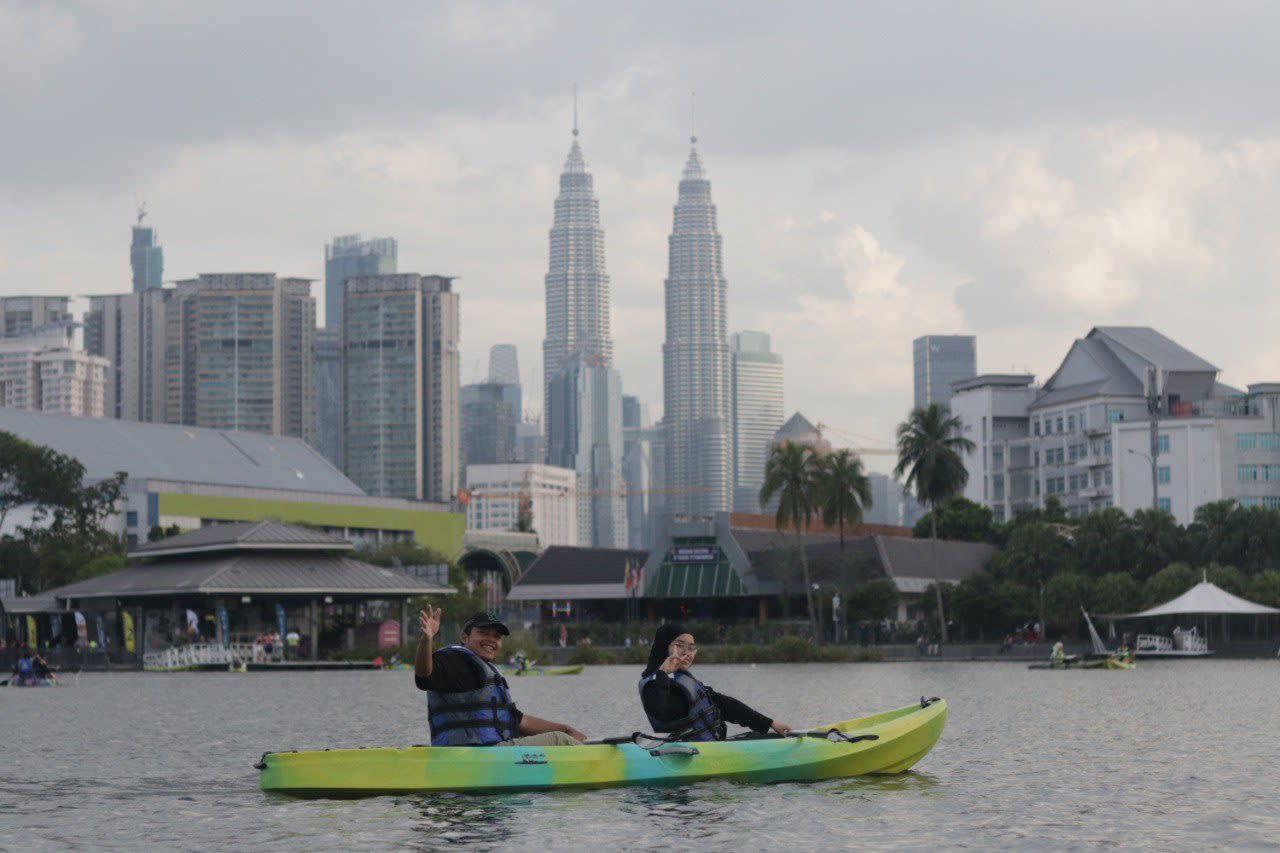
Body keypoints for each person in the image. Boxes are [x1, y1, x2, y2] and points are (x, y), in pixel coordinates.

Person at [415, 608, 586, 747]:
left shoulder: (487, 672)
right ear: (465, 638)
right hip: (474, 758)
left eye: (497, 636)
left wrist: (566, 729)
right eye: (483, 632)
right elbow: (424, 676)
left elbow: (516, 721)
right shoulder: (454, 660)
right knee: (559, 741)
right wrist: (426, 640)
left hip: (486, 755)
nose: (491, 639)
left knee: (563, 735)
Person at [638, 624, 792, 742]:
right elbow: (660, 709)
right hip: (687, 754)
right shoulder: (653, 684)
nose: (687, 652)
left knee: (771, 736)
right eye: (680, 645)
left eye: (691, 648)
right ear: (664, 646)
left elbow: (724, 705)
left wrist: (769, 723)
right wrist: (663, 674)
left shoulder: (684, 680)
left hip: (710, 748)